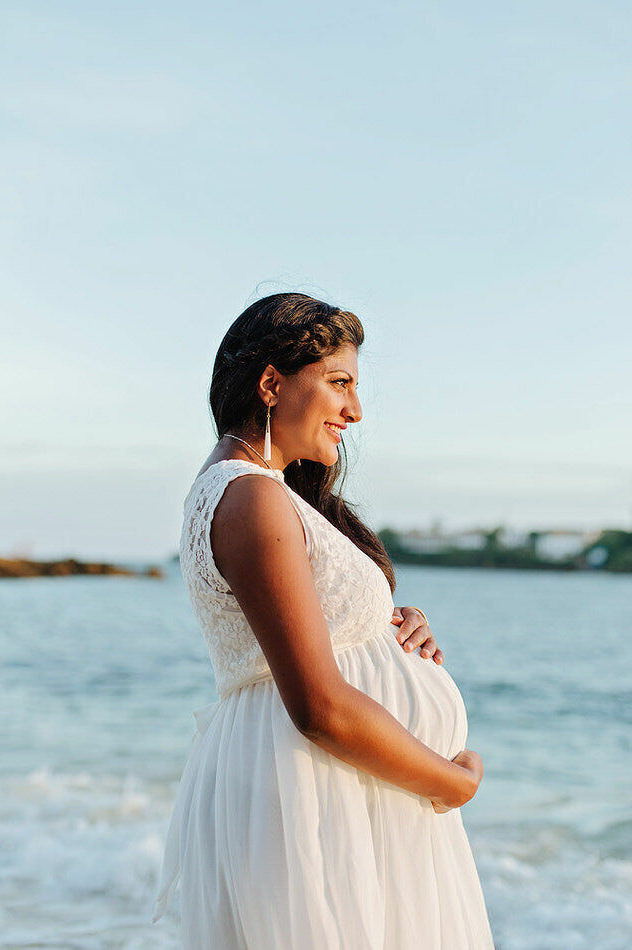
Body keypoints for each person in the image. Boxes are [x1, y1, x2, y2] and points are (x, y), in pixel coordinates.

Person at [151, 292, 495, 948]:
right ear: (272, 384)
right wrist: (454, 782)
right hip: (313, 800)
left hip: (337, 799)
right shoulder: (250, 496)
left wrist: (388, 627)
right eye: (340, 384)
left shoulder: (261, 493)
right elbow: (320, 706)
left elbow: (313, 633)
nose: (355, 411)